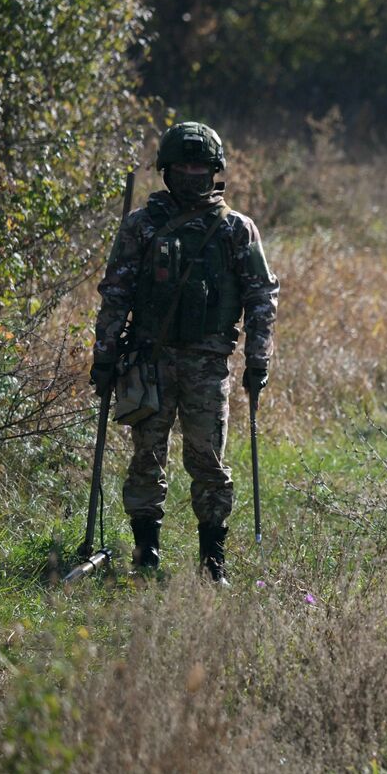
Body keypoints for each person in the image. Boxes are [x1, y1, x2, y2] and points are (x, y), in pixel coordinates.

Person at [89, 122, 279, 585]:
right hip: (147, 361)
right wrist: (105, 355)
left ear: (215, 171)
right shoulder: (141, 225)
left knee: (208, 460)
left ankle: (213, 563)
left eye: (201, 166)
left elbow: (261, 298)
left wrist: (259, 359)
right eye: (183, 166)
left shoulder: (236, 229)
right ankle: (146, 552)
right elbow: (115, 293)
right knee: (145, 458)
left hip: (208, 363)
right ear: (166, 171)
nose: (192, 174)